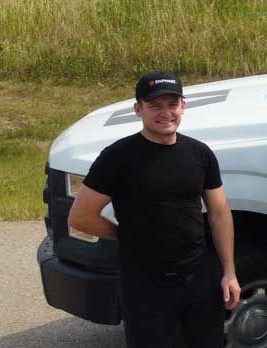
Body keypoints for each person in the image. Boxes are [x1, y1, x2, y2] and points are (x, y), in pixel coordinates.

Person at [69, 71, 240, 348]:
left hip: (198, 277)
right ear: (138, 109)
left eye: (173, 104)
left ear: (183, 106)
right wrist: (125, 235)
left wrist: (229, 273)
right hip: (145, 284)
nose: (166, 113)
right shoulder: (117, 158)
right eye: (155, 106)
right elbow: (81, 217)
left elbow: (219, 214)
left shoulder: (200, 154)